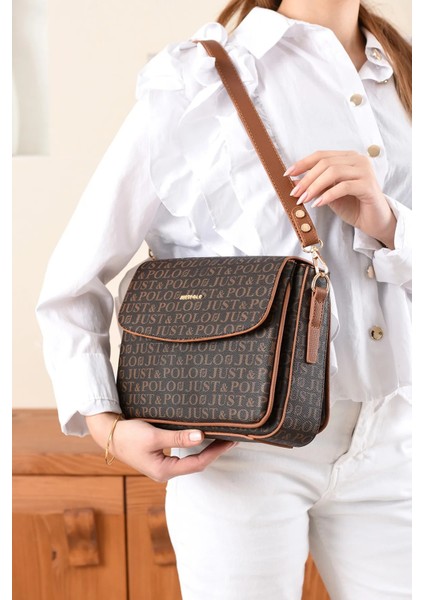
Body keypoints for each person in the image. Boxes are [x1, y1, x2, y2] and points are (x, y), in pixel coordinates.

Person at [36, 0, 412, 598]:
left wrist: (390, 222)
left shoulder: (406, 76)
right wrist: (106, 426)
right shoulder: (195, 80)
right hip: (238, 450)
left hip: (398, 437)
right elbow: (71, 281)